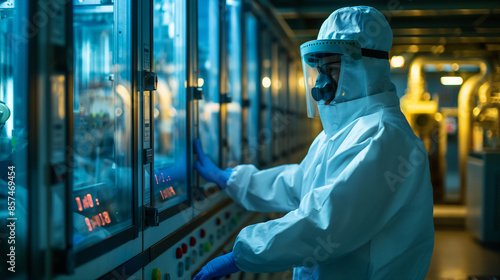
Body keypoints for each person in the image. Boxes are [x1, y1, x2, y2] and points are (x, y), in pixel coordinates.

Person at [193, 6, 434, 280]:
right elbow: (301, 184)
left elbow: (325, 223)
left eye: (331, 68)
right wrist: (234, 180)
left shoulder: (382, 136)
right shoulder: (339, 132)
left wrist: (242, 254)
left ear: (362, 67)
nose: (320, 82)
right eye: (318, 69)